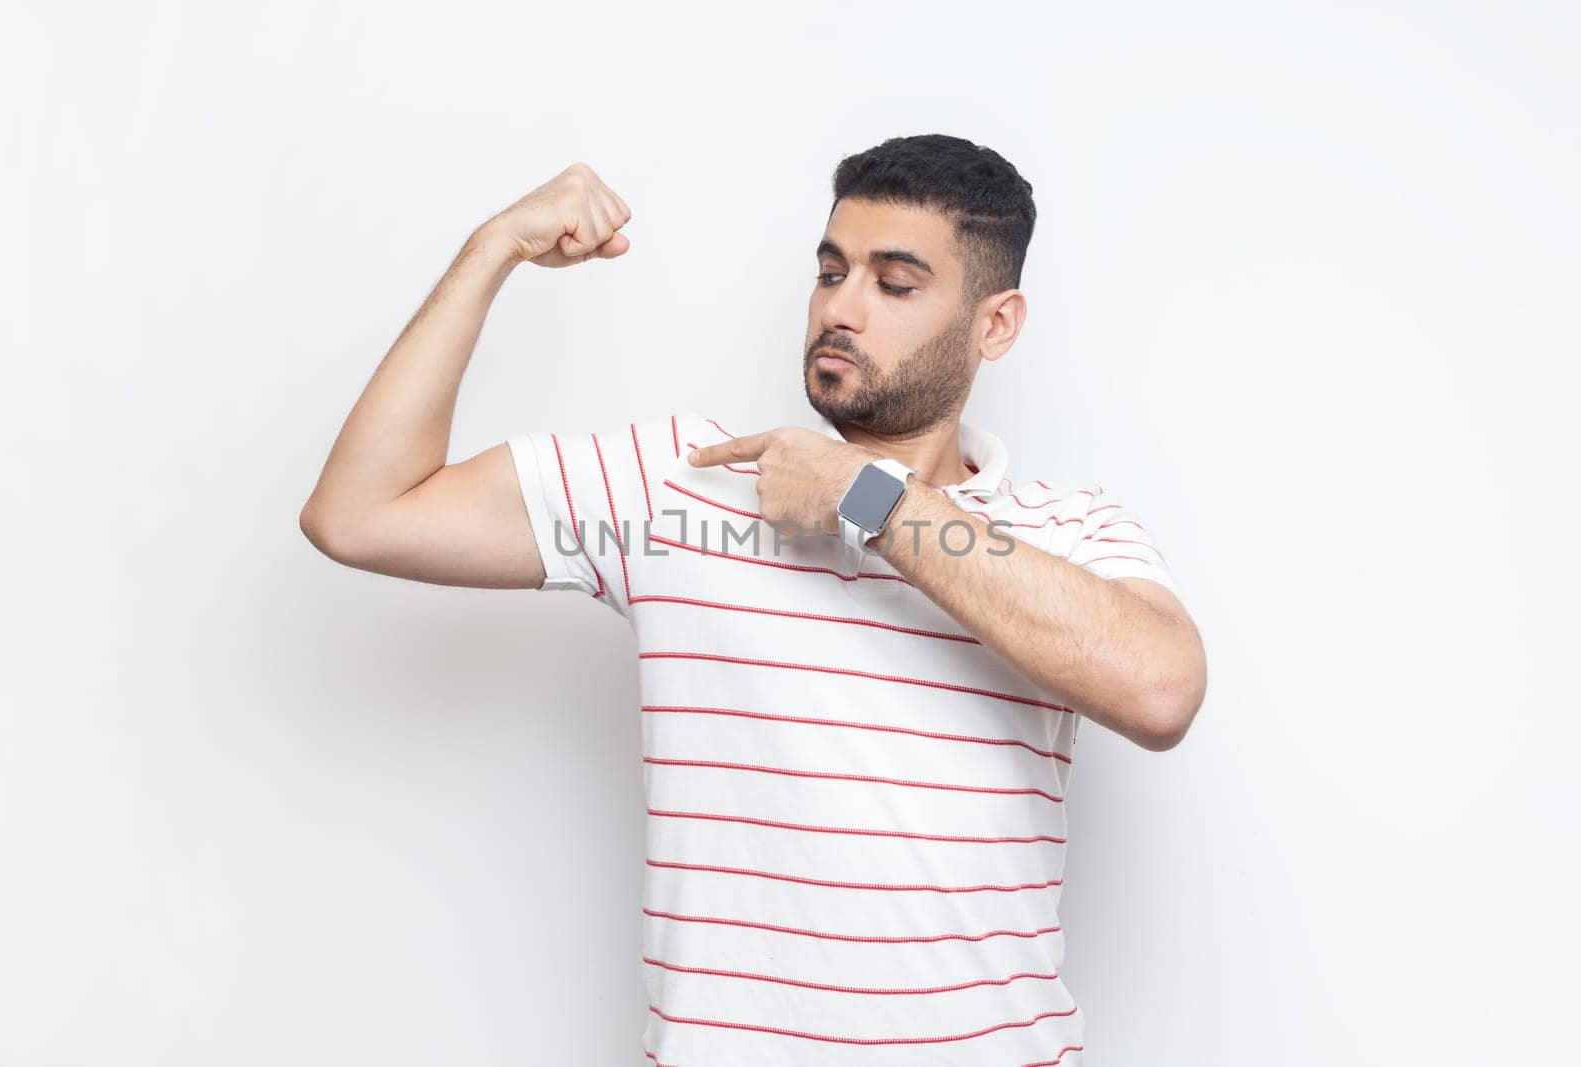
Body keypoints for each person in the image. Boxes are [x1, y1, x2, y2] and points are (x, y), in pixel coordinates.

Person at [300, 133, 1208, 1066]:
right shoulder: (682, 488)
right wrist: (491, 249)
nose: (840, 309)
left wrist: (869, 501)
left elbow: (1161, 690)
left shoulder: (1068, 531)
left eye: (895, 284)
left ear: (996, 323)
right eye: (830, 270)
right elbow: (361, 513)